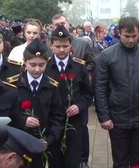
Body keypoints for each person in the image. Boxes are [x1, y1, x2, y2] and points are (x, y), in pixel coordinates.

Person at [93, 16, 139, 168]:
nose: (130, 40)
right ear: (119, 33)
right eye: (126, 36)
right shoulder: (106, 56)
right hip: (117, 117)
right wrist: (104, 116)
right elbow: (100, 87)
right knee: (120, 160)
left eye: (134, 36)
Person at [7, 38, 63, 168]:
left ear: (47, 63)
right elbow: (6, 116)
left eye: (41, 65)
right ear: (25, 62)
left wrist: (48, 141)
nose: (37, 69)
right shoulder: (12, 85)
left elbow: (57, 117)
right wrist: (23, 121)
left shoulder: (52, 86)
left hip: (45, 146)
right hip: (18, 145)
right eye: (32, 64)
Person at [45, 24, 93, 168]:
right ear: (51, 45)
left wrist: (79, 106)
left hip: (74, 122)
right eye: (58, 46)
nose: (61, 50)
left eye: (65, 46)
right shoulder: (45, 67)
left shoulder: (79, 66)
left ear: (70, 45)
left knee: (73, 161)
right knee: (54, 160)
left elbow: (88, 94)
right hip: (52, 123)